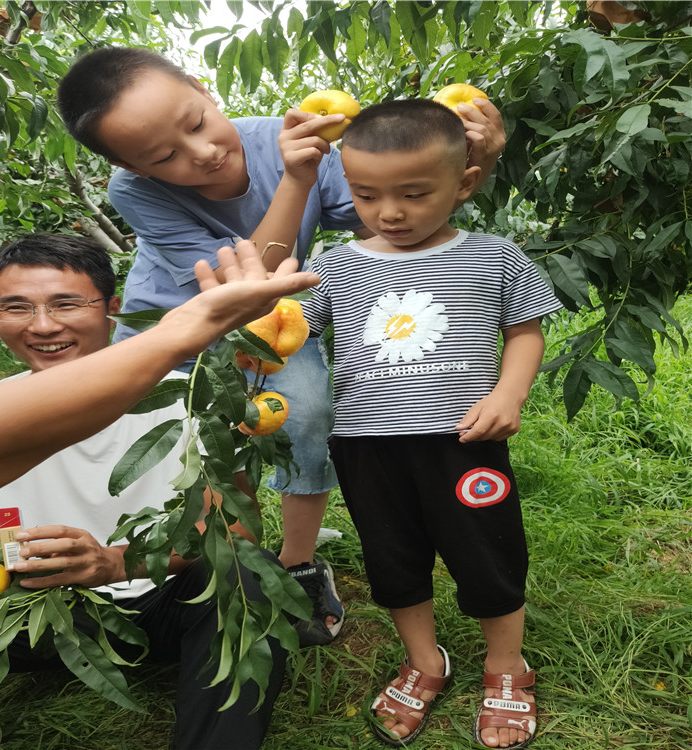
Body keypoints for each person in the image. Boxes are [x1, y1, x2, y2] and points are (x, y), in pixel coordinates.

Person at [56, 46, 506, 646]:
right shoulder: (138, 193)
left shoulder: (295, 139)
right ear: (128, 166)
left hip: (278, 321)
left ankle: (297, 564)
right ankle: (230, 560)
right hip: (179, 326)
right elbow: (245, 288)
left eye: (196, 122)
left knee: (308, 415)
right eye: (164, 156)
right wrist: (298, 180)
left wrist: (475, 160)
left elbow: (394, 215)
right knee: (204, 440)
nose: (204, 151)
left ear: (203, 88)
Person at [0, 234, 319, 750]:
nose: (43, 325)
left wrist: (114, 563)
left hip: (152, 604)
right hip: (16, 618)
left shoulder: (191, 405)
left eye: (66, 303)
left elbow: (234, 528)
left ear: (113, 309)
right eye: (16, 307)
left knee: (245, 572)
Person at [298, 99, 563, 749]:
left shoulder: (493, 256)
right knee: (392, 559)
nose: (389, 212)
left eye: (414, 194)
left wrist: (511, 392)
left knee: (488, 553)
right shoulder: (336, 264)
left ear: (464, 182)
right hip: (365, 444)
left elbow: (525, 332)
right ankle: (424, 661)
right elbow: (288, 329)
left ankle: (506, 666)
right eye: (366, 195)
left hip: (466, 441)